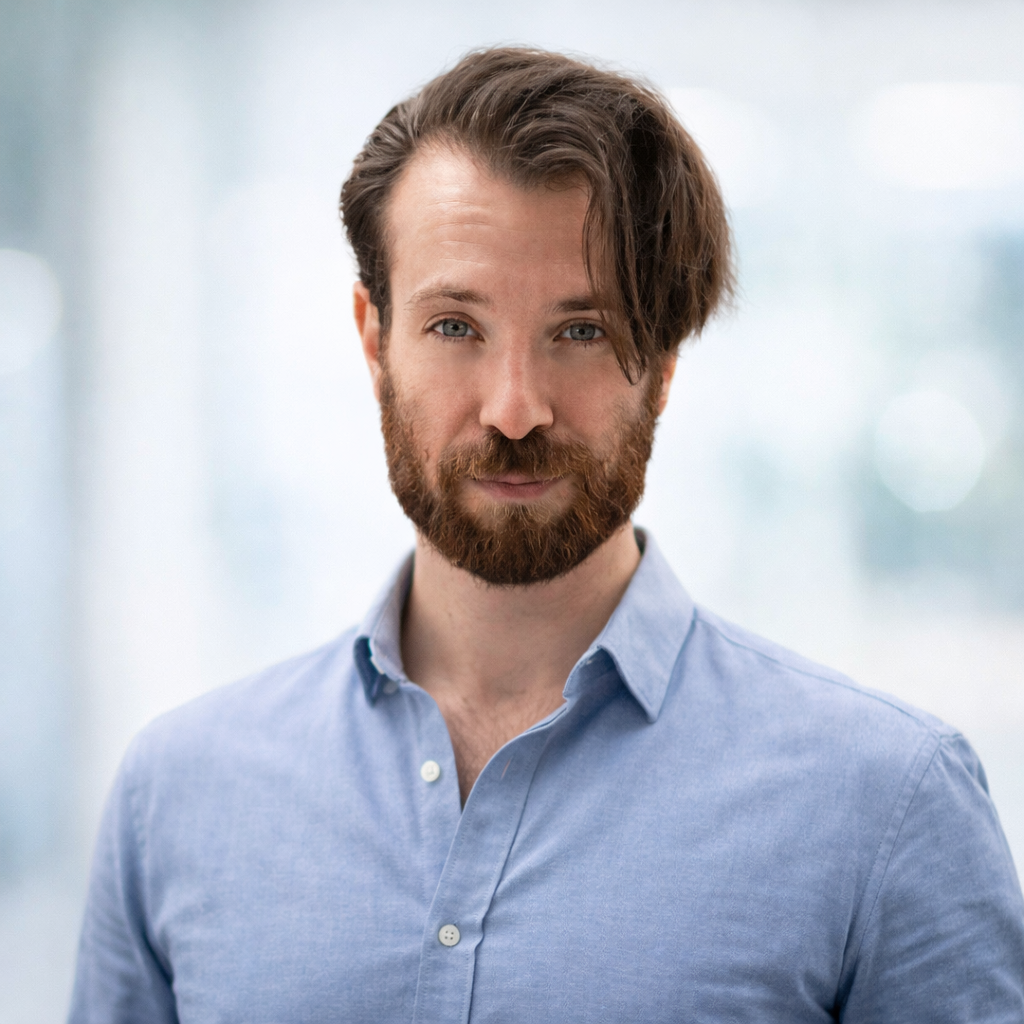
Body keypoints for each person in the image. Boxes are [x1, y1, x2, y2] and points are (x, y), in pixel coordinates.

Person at [69, 48, 1023, 1024]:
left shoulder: (886, 803)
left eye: (580, 331)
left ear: (660, 362)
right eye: (453, 327)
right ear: (372, 338)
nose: (514, 409)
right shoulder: (178, 793)